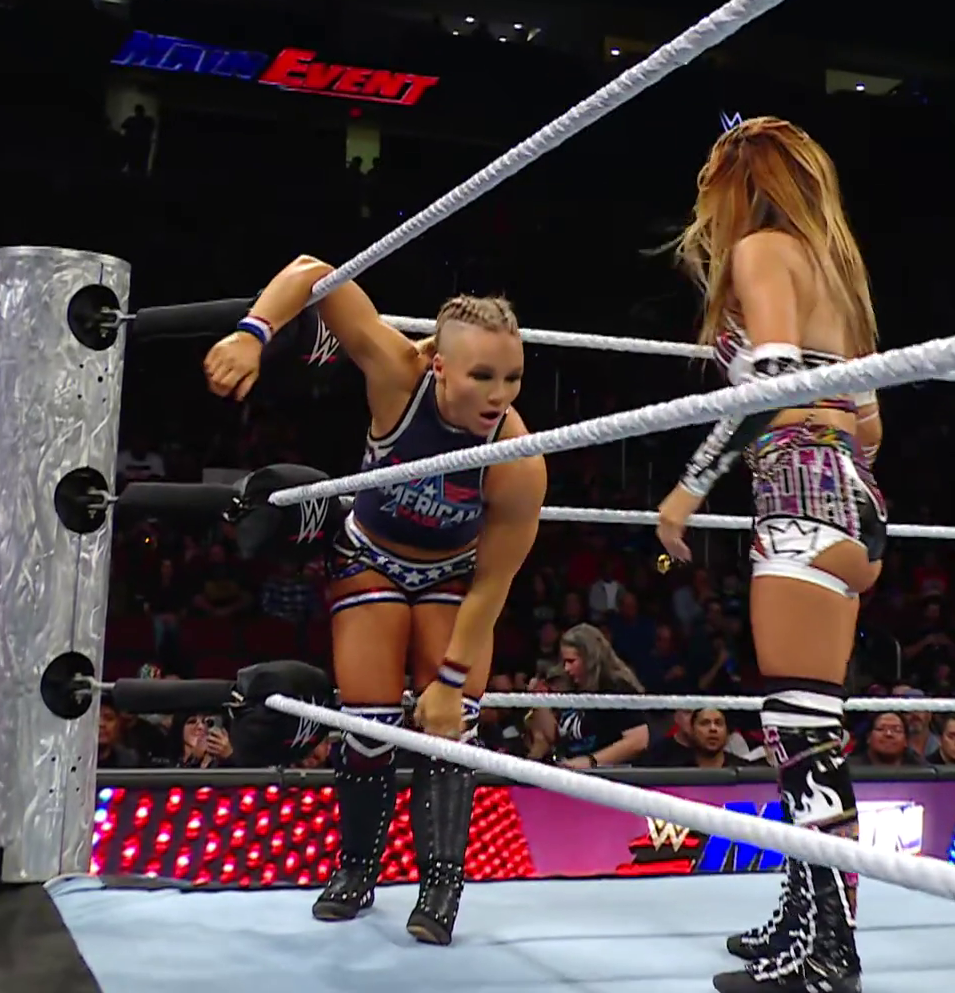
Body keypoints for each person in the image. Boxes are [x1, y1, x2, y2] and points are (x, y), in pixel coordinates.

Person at [203, 258, 545, 947]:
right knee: (367, 724)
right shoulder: (397, 373)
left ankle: (442, 887)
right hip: (369, 558)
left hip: (453, 576)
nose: (498, 395)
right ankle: (357, 869)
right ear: (438, 365)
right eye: (482, 376)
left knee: (452, 726)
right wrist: (252, 333)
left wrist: (450, 681)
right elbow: (313, 272)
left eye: (512, 378)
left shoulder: (519, 458)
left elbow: (494, 582)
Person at [654, 117, 882, 993]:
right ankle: (804, 922)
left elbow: (774, 380)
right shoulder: (838, 275)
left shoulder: (761, 251)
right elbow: (870, 424)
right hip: (853, 502)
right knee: (805, 725)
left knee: (800, 732)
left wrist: (688, 487)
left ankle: (830, 953)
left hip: (797, 498)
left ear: (738, 185)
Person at [523, 623, 650, 769]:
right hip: (568, 770)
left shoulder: (616, 687)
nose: (566, 668)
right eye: (564, 662)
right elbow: (555, 736)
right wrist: (539, 700)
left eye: (571, 661)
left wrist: (591, 761)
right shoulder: (572, 686)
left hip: (606, 775)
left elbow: (638, 740)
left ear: (589, 659)